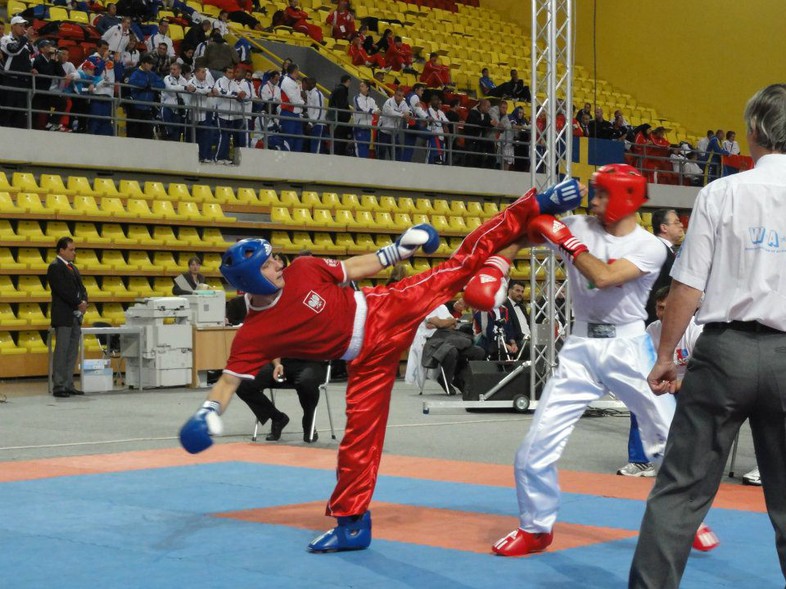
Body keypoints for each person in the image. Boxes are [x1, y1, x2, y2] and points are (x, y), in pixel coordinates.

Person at [179, 178, 585, 553]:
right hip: (365, 361)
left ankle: (534, 206)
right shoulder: (255, 332)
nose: (279, 264)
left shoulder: (302, 268)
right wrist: (208, 411)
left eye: (276, 258)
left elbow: (354, 268)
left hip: (383, 310)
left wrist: (401, 249)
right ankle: (351, 524)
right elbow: (231, 378)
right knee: (358, 440)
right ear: (254, 280)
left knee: (459, 264)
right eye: (269, 265)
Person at [492, 164, 715, 557]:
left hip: (629, 347)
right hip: (579, 346)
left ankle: (689, 518)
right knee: (534, 445)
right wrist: (506, 255)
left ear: (625, 199)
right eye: (592, 193)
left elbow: (605, 277)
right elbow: (514, 235)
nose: (592, 201)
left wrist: (564, 240)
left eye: (601, 194)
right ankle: (535, 527)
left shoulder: (652, 246)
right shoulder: (578, 224)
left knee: (668, 437)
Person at [629, 84, 786, 589]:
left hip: (724, 353)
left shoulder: (722, 192)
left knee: (680, 491)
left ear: (754, 133)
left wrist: (665, 356)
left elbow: (687, 285)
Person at [47, 237, 88, 398]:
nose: (74, 253)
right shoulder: (55, 267)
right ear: (61, 250)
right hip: (63, 315)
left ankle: (68, 383)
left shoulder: (73, 268)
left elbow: (81, 288)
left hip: (75, 316)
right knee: (62, 350)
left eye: (74, 249)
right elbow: (62, 290)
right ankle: (59, 385)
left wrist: (84, 301)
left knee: (72, 351)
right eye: (71, 250)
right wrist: (78, 302)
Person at [644, 208, 684, 324]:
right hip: (654, 318)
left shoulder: (668, 250)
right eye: (676, 222)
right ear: (664, 227)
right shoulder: (656, 249)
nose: (681, 225)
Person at [0, 16, 36, 129]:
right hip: (10, 79)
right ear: (12, 26)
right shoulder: (5, 39)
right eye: (20, 26)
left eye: (24, 26)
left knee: (20, 113)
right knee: (7, 111)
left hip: (23, 81)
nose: (23, 28)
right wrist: (25, 37)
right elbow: (13, 50)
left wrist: (30, 68)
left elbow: (27, 58)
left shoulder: (25, 43)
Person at [328, 74, 352, 156]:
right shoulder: (342, 90)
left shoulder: (337, 90)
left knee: (337, 142)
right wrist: (347, 114)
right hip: (339, 122)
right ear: (348, 81)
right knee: (339, 144)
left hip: (335, 120)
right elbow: (341, 106)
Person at [503, 280, 530, 350]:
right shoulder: (504, 306)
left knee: (551, 344)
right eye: (517, 290)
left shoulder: (522, 307)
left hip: (529, 338)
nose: (520, 294)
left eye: (522, 291)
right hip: (516, 342)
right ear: (509, 290)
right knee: (533, 346)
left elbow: (529, 324)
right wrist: (525, 337)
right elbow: (508, 329)